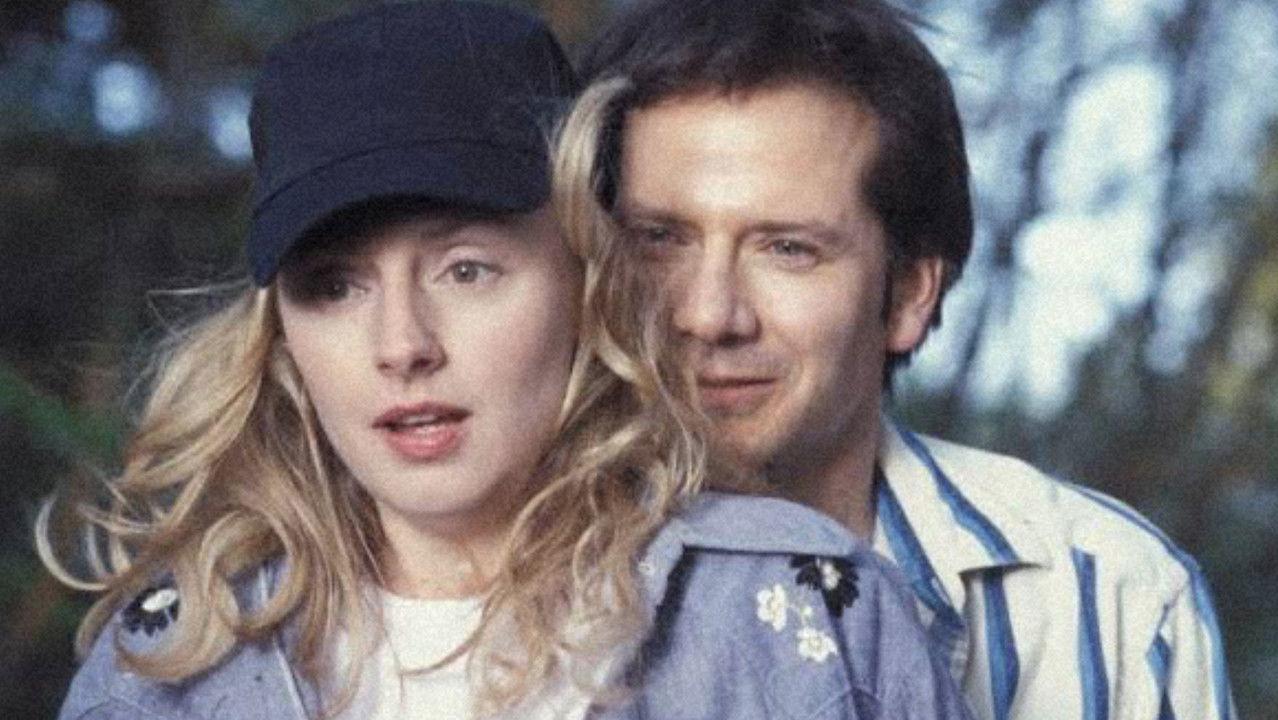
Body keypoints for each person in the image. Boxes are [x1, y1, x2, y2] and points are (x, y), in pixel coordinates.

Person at [41, 2, 971, 719]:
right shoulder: (161, 664)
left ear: (588, 282)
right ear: (283, 336)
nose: (403, 345)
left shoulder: (806, 608)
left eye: (466, 270)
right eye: (335, 286)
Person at [559, 0, 1238, 718]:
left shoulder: (1113, 599)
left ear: (911, 294)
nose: (708, 315)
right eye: (659, 240)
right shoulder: (484, 575)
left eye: (788, 249)